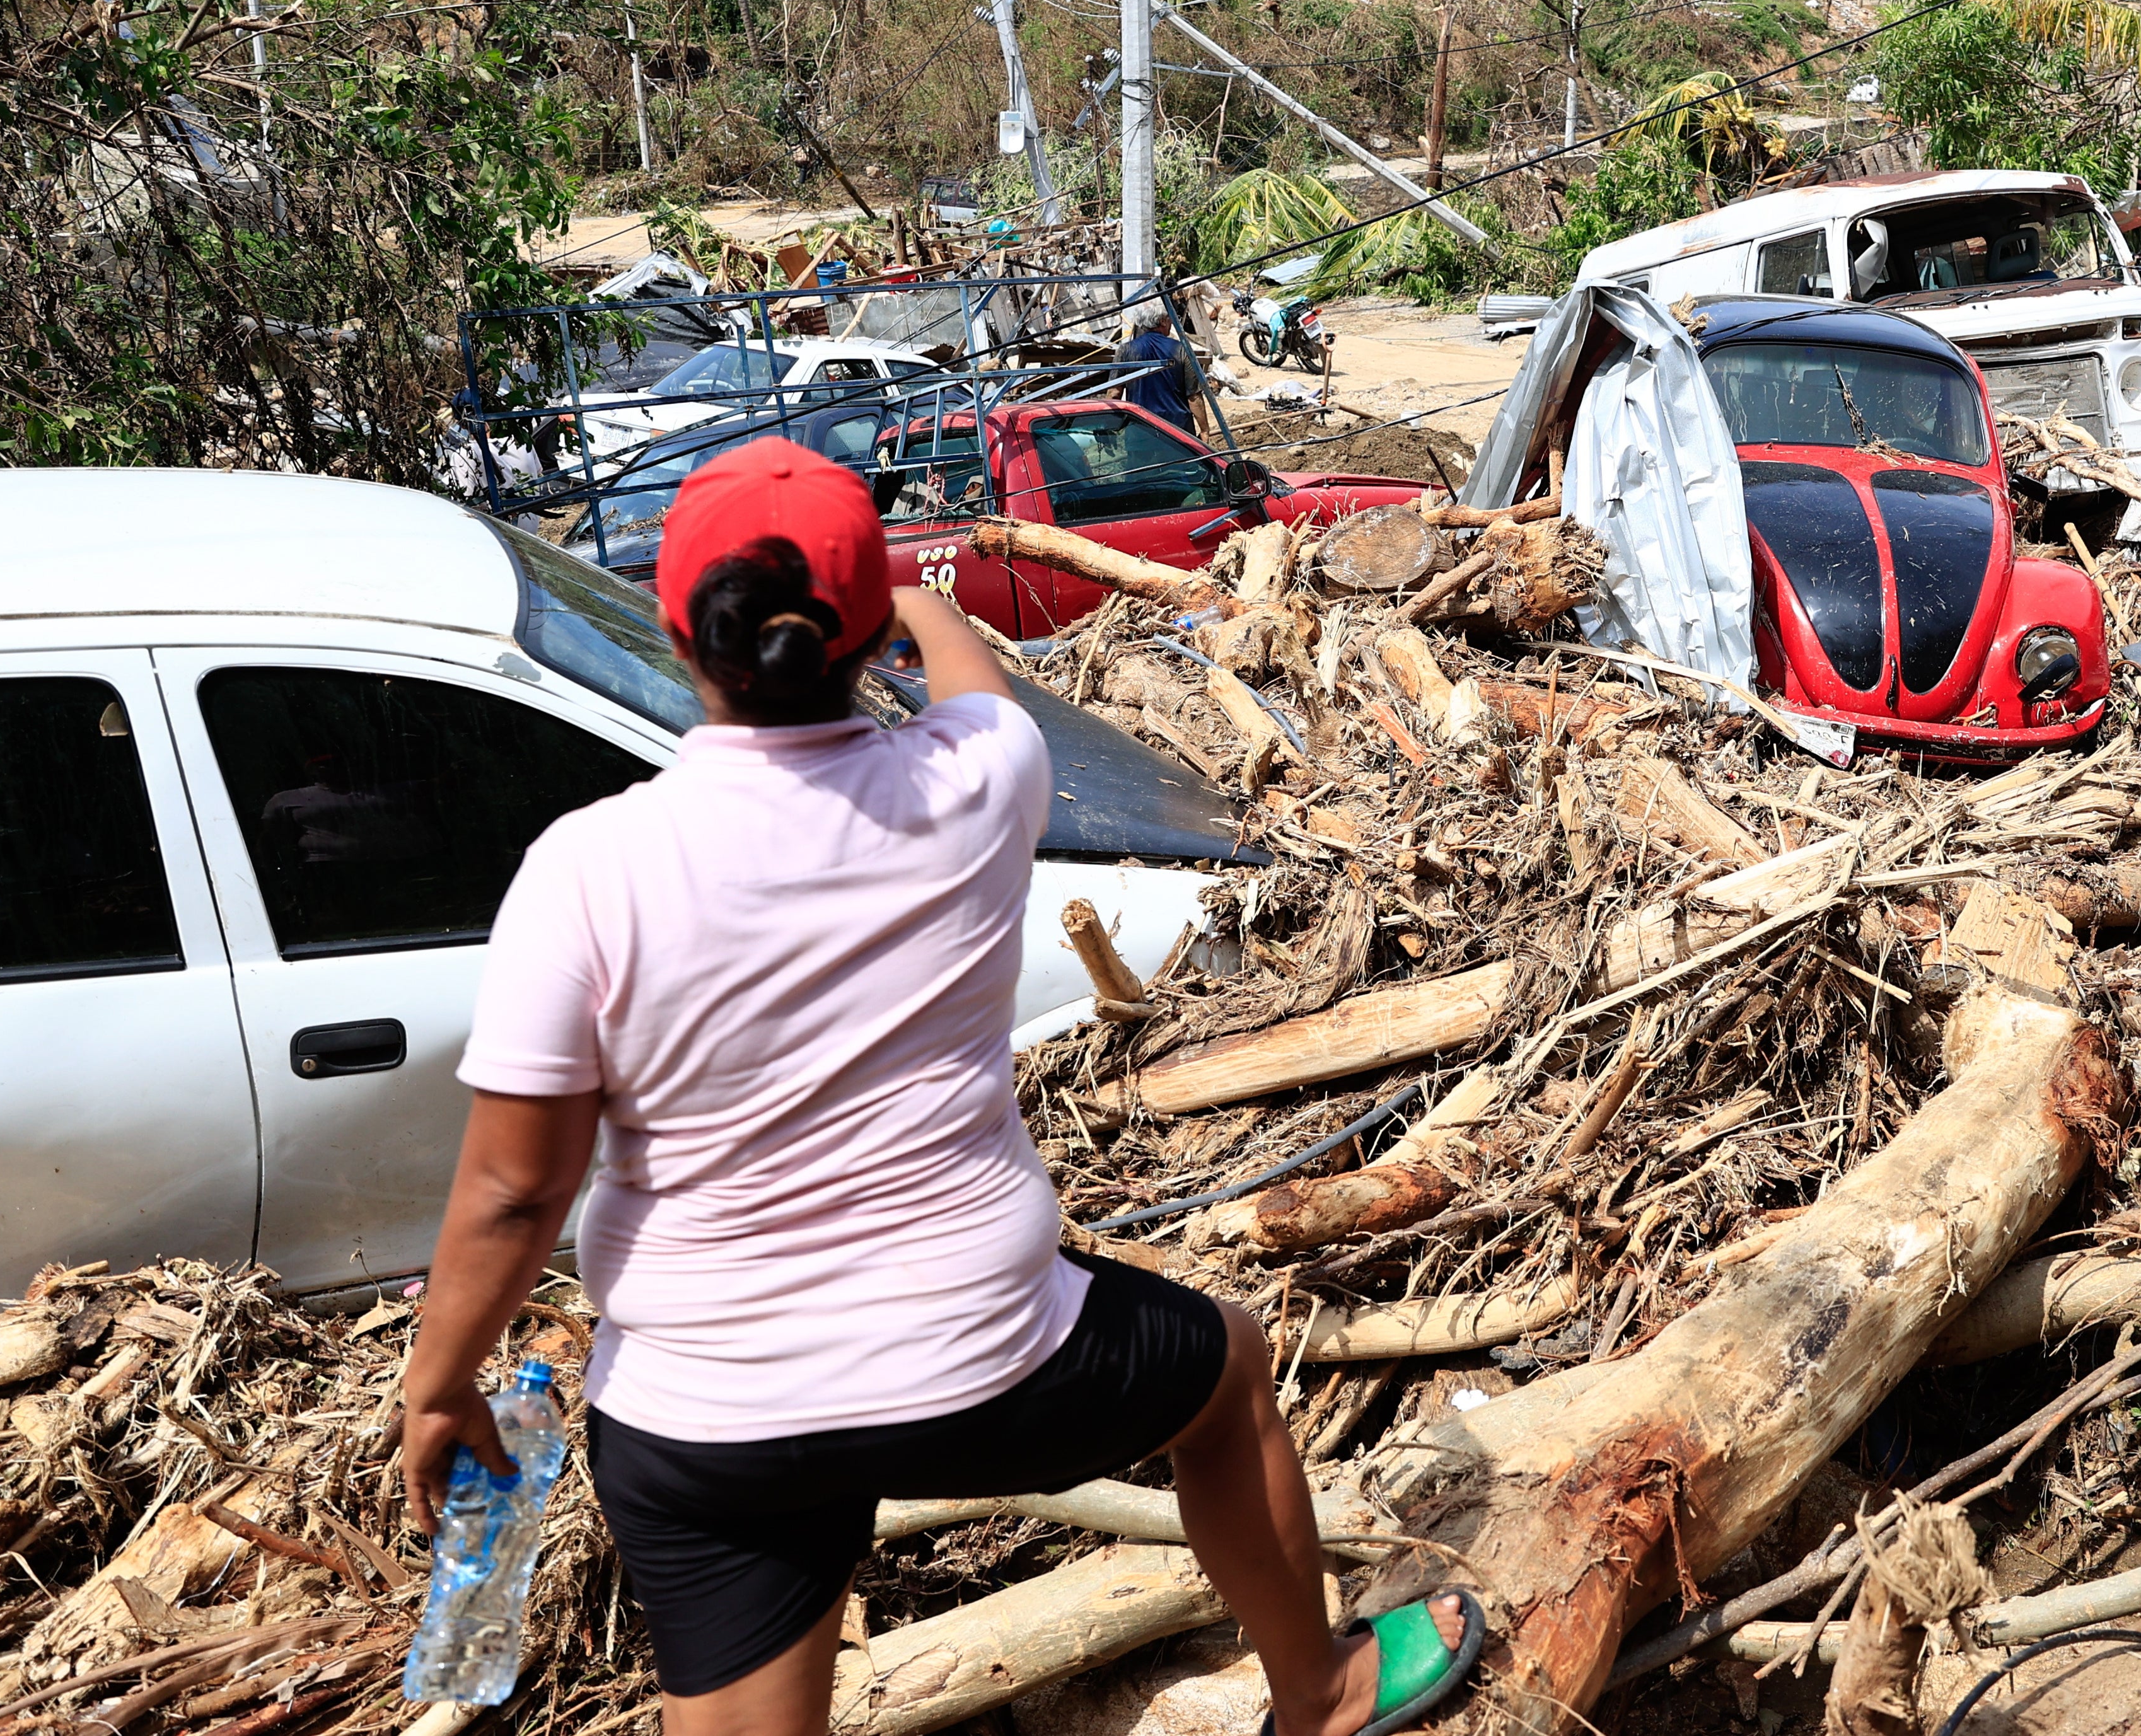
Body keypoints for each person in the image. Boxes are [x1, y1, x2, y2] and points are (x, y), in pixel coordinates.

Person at [399, 436, 1477, 1736]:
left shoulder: (586, 869)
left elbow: (519, 1190)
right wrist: (916, 600)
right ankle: (1319, 1688)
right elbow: (981, 684)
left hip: (704, 1416)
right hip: (983, 1370)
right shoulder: (973, 785)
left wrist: (440, 1385)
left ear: (678, 634)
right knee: (1228, 1372)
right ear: (854, 639)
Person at [1117, 305, 1200, 432]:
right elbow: (1194, 395)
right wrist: (1205, 429)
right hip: (1178, 432)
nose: (1171, 322)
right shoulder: (1181, 349)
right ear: (1162, 321)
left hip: (1140, 428)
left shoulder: (1125, 350)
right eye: (1169, 318)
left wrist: (1110, 428)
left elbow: (1114, 393)